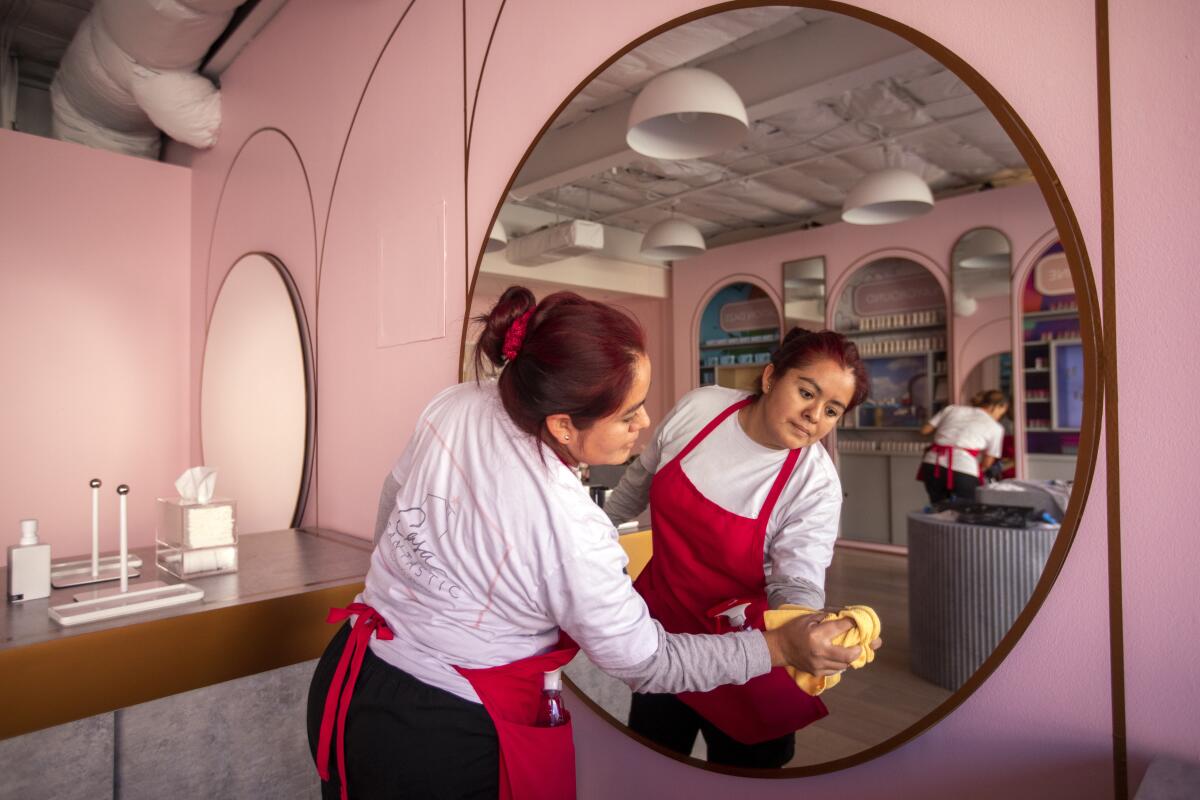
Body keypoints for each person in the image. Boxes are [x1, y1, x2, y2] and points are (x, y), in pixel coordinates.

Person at [306, 288, 866, 799]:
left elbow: (395, 500)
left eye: (833, 409)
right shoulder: (574, 524)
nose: (645, 423)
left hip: (354, 673)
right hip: (440, 733)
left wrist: (416, 588)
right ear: (562, 425)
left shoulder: (459, 402)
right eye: (627, 414)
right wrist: (780, 648)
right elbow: (648, 660)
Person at [603, 327, 873, 769]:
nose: (813, 416)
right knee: (650, 761)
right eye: (806, 392)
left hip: (751, 653)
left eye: (831, 410)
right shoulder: (700, 409)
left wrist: (809, 627)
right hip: (663, 632)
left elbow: (797, 577)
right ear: (770, 378)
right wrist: (591, 533)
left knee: (746, 775)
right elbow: (637, 483)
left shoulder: (815, 484)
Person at [916, 389, 1008, 505]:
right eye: (1001, 412)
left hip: (932, 464)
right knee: (966, 514)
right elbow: (987, 463)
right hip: (963, 469)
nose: (1000, 416)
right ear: (998, 406)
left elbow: (924, 431)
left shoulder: (951, 409)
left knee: (938, 510)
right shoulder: (996, 428)